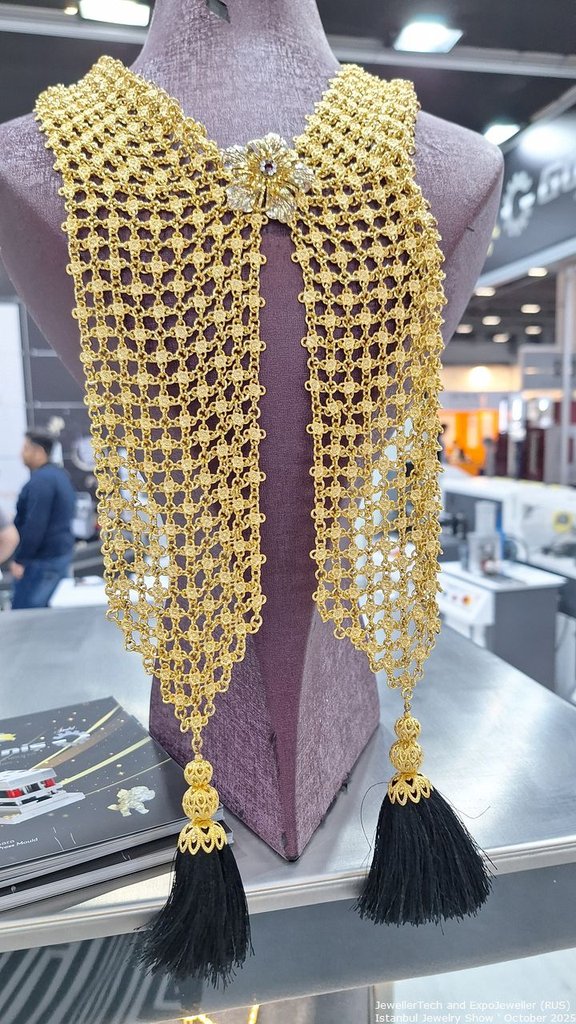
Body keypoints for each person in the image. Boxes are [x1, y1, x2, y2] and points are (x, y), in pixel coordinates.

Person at [9, 430, 76, 609]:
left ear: (38, 451)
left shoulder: (42, 481)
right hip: (57, 556)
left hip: (41, 562)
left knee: (26, 616)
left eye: (25, 448)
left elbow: (35, 524)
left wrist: (21, 560)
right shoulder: (60, 475)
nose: (21, 454)